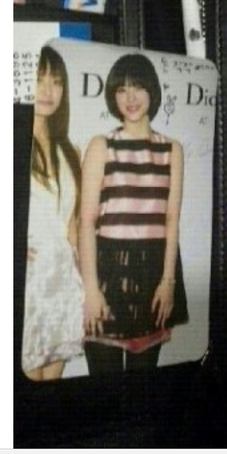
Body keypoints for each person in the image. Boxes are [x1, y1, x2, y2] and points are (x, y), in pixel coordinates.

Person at [80, 53, 188, 375]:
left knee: (144, 388)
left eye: (138, 87)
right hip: (106, 272)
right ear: (113, 96)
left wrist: (167, 282)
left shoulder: (172, 150)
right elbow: (86, 222)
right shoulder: (101, 145)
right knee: (105, 386)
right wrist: (91, 290)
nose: (130, 98)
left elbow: (172, 221)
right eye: (122, 89)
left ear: (151, 90)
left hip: (153, 273)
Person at [22, 46, 84, 381]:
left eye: (56, 81)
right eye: (39, 78)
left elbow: (73, 224)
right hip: (28, 286)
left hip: (63, 287)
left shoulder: (69, 149)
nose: (48, 90)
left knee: (51, 393)